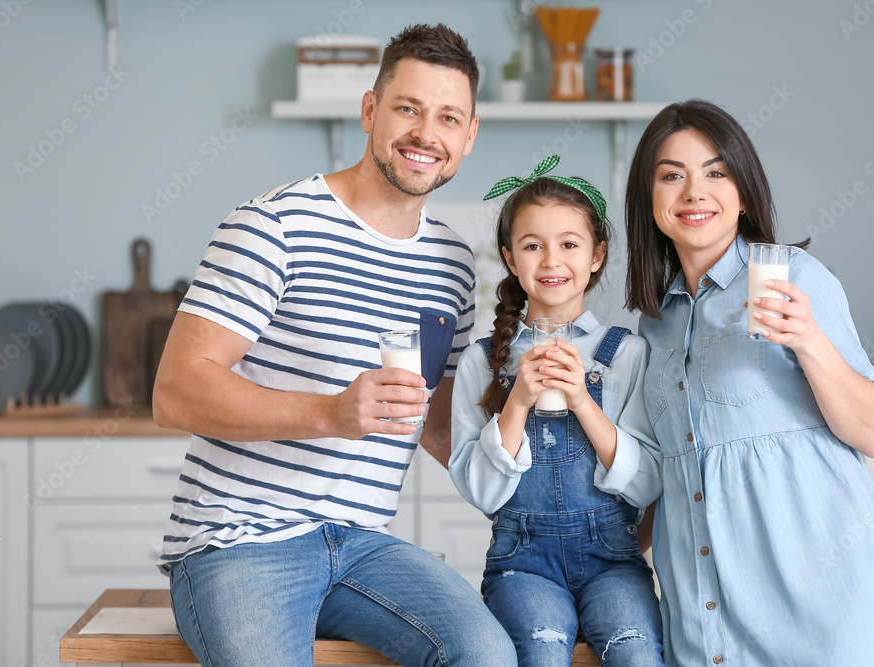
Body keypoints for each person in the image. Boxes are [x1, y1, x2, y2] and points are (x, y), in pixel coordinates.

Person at [151, 23, 519, 667]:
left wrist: (541, 484)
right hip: (238, 542)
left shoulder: (453, 265)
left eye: (448, 117)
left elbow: (439, 421)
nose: (425, 134)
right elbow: (176, 392)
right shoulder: (273, 224)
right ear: (371, 110)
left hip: (361, 545)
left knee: (486, 654)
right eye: (407, 108)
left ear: (468, 136)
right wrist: (330, 413)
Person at [623, 99, 874, 666]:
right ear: (649, 201)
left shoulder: (794, 278)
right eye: (671, 176)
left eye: (716, 173)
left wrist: (809, 339)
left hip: (824, 620)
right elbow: (672, 472)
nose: (694, 192)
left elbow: (872, 433)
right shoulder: (654, 324)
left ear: (743, 192)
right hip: (708, 629)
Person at [450, 155, 665, 666]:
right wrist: (518, 401)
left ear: (596, 255)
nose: (551, 261)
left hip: (613, 560)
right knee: (542, 650)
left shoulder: (627, 353)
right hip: (522, 563)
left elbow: (647, 484)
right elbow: (482, 492)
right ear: (510, 258)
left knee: (637, 652)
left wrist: (582, 400)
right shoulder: (481, 361)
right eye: (532, 246)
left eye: (569, 244)